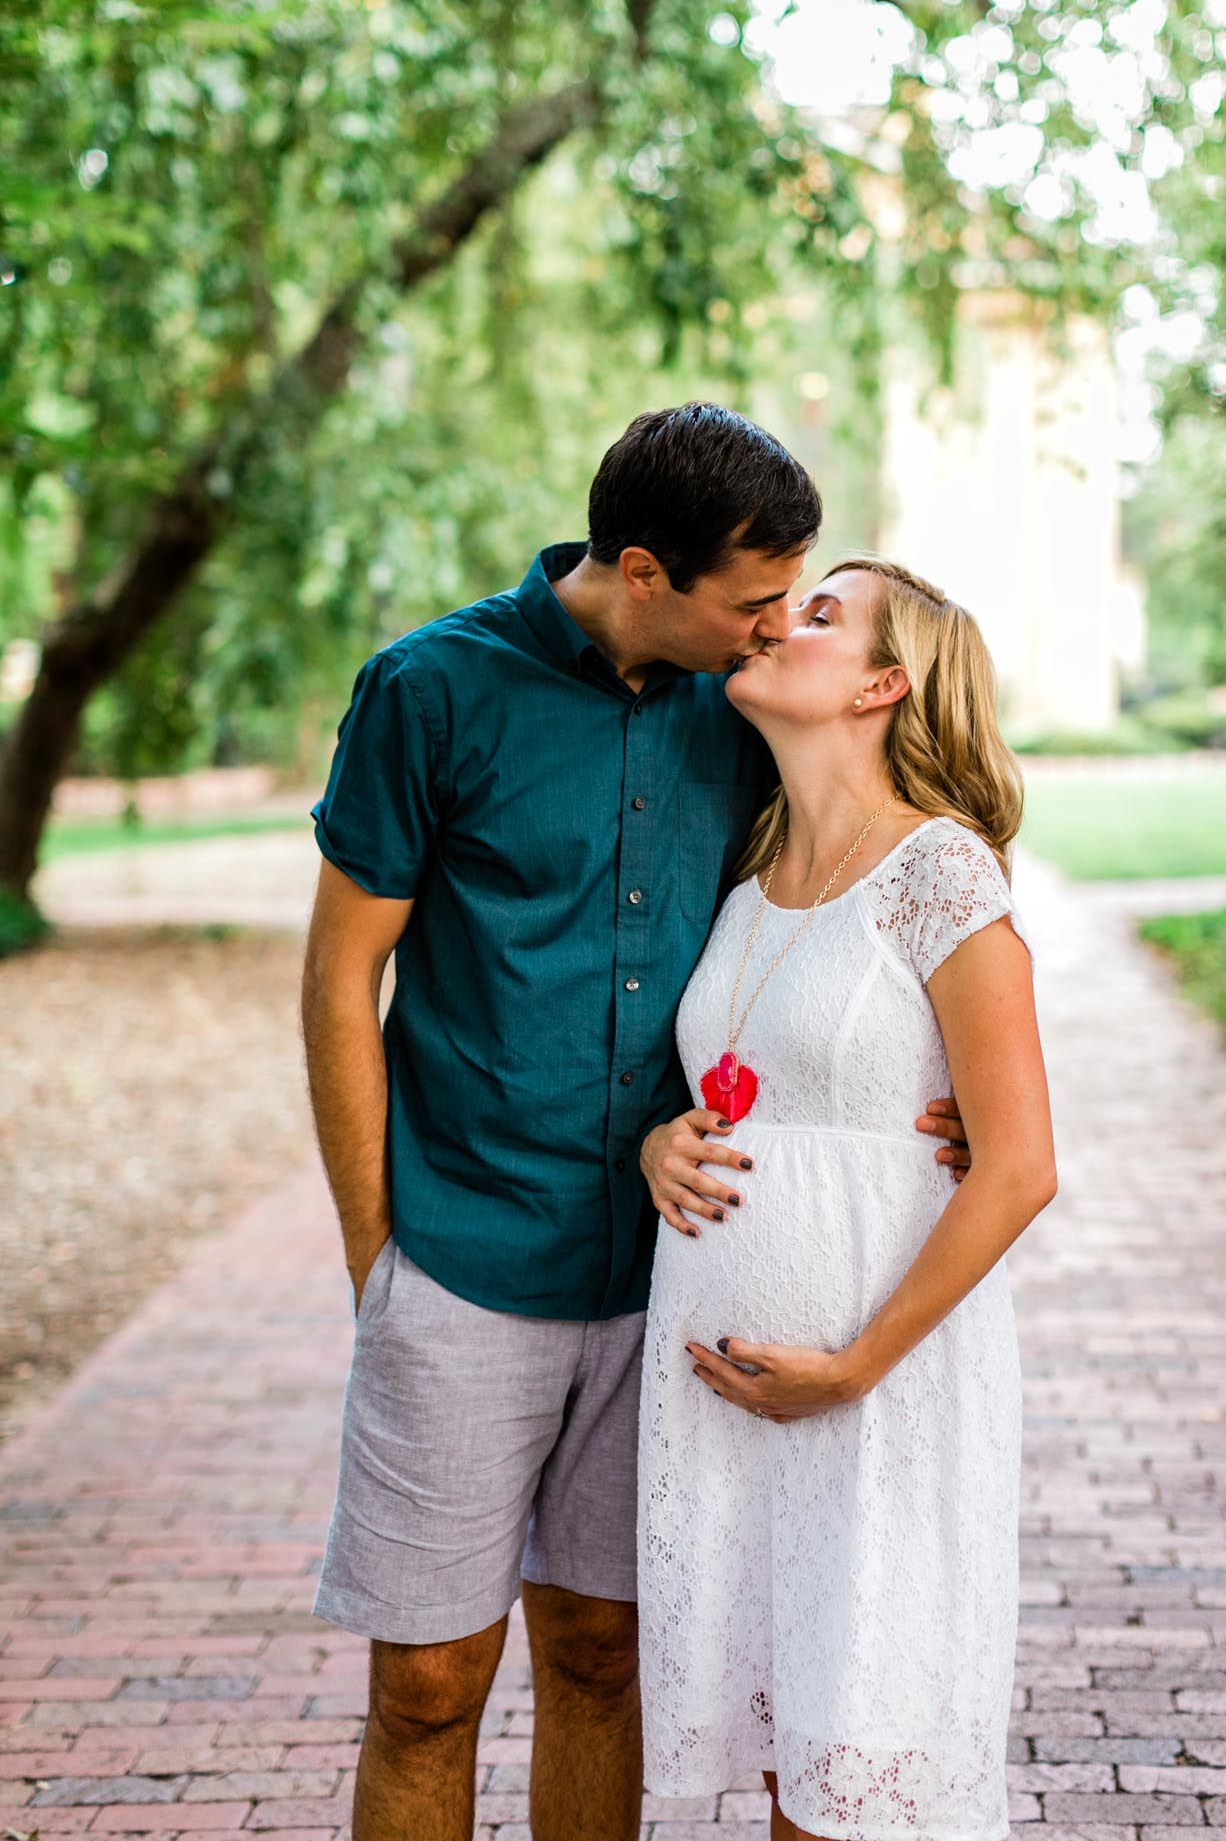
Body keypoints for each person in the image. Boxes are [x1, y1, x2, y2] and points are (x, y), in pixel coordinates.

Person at [299, 405, 976, 1841]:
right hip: (464, 1257)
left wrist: (946, 1101)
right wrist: (378, 1252)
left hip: (672, 1274)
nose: (776, 626)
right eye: (753, 599)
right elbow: (339, 974)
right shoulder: (429, 691)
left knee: (603, 1659)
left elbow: (897, 858)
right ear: (646, 570)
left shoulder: (741, 703)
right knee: (427, 1681)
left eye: (796, 601)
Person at [637, 556, 1056, 1841]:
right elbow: (738, 1083)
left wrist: (853, 1365)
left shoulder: (941, 871)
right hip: (729, 1410)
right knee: (788, 1781)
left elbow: (1023, 1161)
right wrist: (663, 1139)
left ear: (885, 683)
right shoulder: (750, 877)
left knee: (853, 1796)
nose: (779, 619)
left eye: (821, 613)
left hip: (876, 1394)